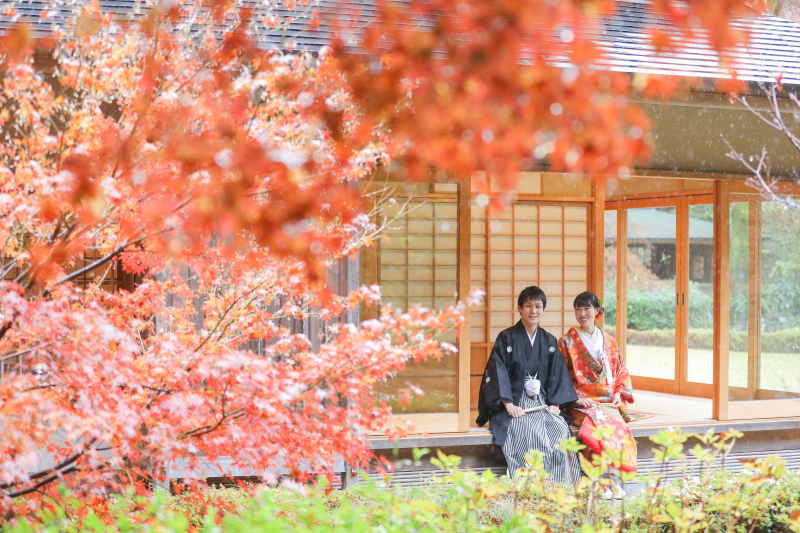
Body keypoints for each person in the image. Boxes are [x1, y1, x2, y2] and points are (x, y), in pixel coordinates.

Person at [476, 286, 581, 483]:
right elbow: (497, 372)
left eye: (538, 306)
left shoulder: (549, 341)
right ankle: (531, 488)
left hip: (541, 402)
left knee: (559, 429)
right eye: (529, 306)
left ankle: (560, 487)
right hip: (516, 402)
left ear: (543, 309)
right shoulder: (506, 337)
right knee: (528, 432)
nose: (533, 311)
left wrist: (556, 404)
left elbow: (557, 374)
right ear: (519, 309)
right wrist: (507, 404)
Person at [557, 291, 651, 498]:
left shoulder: (609, 341)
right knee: (597, 423)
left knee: (613, 421)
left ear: (597, 311)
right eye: (578, 309)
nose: (582, 313)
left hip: (608, 401)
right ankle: (598, 481)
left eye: (587, 308)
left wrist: (619, 393)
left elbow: (620, 371)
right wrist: (575, 399)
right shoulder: (566, 342)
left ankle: (613, 479)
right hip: (582, 401)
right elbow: (560, 376)